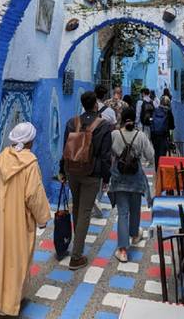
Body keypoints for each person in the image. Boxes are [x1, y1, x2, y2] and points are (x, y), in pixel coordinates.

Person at [0, 122, 51, 319]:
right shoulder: (30, 164)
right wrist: (42, 218)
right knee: (17, 262)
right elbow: (34, 195)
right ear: (30, 140)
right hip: (20, 222)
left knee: (1, 261)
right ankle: (11, 305)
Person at [60, 91, 113, 270]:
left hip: (72, 171)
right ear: (96, 105)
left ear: (83, 105)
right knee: (85, 212)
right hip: (92, 174)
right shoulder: (104, 126)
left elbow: (65, 148)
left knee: (77, 207)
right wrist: (106, 178)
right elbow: (106, 156)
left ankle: (76, 243)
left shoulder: (72, 122)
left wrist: (62, 170)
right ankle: (76, 255)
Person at [109, 107, 154, 262]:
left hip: (119, 178)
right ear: (134, 119)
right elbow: (151, 155)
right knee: (135, 209)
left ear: (121, 118)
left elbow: (109, 154)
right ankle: (134, 235)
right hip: (136, 178)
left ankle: (122, 250)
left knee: (123, 213)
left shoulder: (114, 135)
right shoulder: (140, 136)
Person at [93, 85, 116, 219]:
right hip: (105, 143)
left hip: (91, 143)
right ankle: (98, 198)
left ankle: (92, 198)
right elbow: (113, 126)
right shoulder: (110, 111)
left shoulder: (87, 107)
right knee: (104, 169)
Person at [151, 96, 175, 169]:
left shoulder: (156, 110)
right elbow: (172, 126)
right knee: (162, 153)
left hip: (154, 135)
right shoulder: (168, 111)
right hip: (163, 135)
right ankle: (161, 170)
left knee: (156, 153)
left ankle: (156, 170)